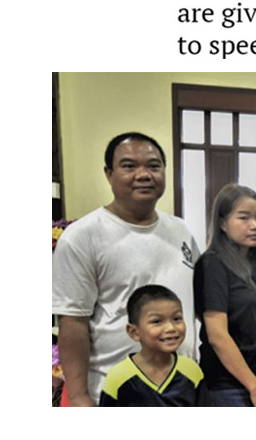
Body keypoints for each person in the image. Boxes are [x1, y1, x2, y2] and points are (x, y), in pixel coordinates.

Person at [52, 132, 200, 406]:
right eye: (129, 166)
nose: (143, 174)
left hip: (180, 391)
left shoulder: (181, 230)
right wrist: (80, 397)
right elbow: (73, 323)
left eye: (154, 166)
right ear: (109, 174)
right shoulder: (83, 237)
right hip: (116, 393)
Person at [193, 184, 256, 407]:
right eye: (243, 218)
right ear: (223, 223)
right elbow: (218, 336)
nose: (254, 225)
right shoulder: (213, 264)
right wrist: (254, 388)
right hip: (229, 386)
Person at [100, 285, 204, 407]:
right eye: (157, 321)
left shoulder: (192, 371)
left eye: (176, 318)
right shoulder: (118, 377)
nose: (171, 328)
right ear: (134, 332)